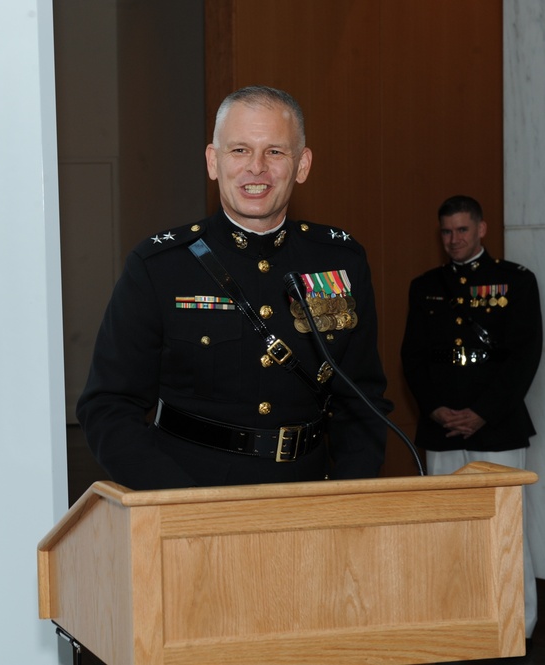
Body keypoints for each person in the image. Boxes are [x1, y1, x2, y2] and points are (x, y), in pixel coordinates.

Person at [76, 85, 390, 491]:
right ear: (213, 161)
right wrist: (177, 504)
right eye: (239, 150)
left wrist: (346, 498)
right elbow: (107, 407)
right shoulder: (160, 266)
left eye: (275, 152)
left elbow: (362, 402)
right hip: (190, 496)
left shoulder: (340, 262)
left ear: (302, 165)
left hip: (309, 495)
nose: (256, 167)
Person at [400, 194, 542, 640]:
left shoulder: (515, 282)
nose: (453, 239)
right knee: (447, 529)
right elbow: (413, 358)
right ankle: (455, 621)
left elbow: (524, 356)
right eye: (446, 231)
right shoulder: (425, 286)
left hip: (497, 429)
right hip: (444, 430)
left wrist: (481, 413)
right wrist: (436, 408)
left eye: (462, 230)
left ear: (481, 229)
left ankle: (520, 624)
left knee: (507, 532)